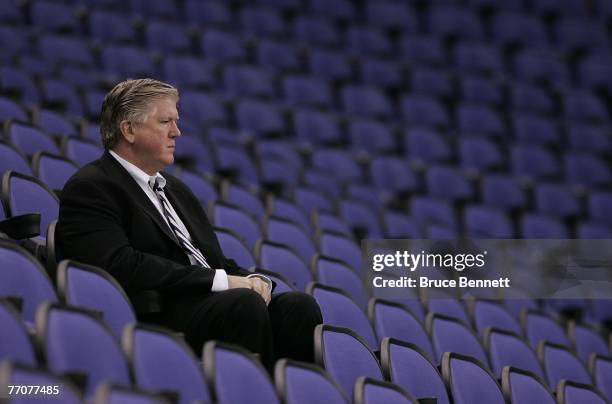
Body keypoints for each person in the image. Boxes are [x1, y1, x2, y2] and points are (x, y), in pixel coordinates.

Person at [57, 78, 322, 370]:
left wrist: (253, 280)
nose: (177, 132)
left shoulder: (177, 190)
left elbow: (214, 261)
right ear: (129, 130)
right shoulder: (92, 186)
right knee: (242, 305)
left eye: (176, 121)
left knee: (299, 307)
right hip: (157, 311)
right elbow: (119, 263)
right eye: (165, 122)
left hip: (210, 303)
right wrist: (222, 282)